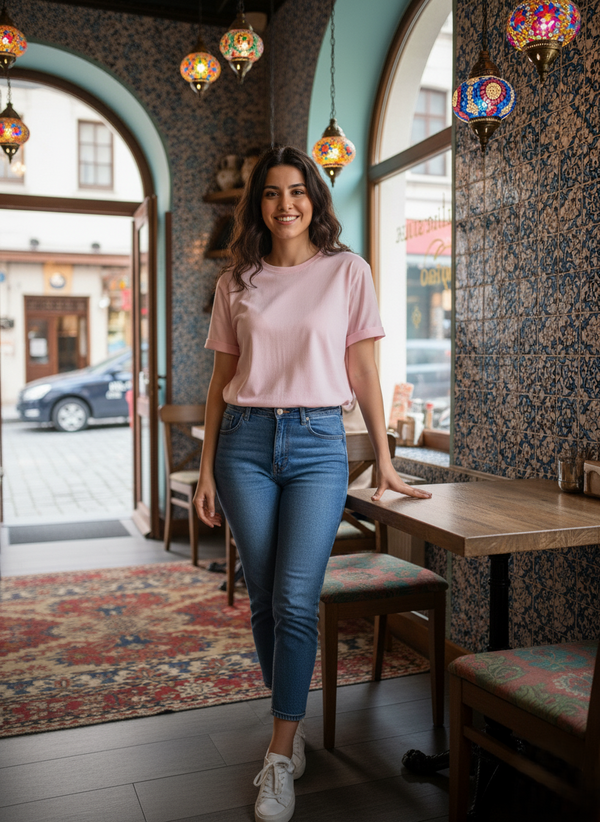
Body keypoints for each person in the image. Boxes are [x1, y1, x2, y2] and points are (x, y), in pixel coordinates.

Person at [193, 145, 432, 822]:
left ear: (315, 200)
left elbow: (362, 371)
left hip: (320, 445)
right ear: (258, 205)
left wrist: (383, 458)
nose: (286, 204)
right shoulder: (236, 279)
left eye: (298, 191)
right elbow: (219, 382)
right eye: (271, 193)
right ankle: (290, 720)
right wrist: (208, 464)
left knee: (297, 598)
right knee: (265, 597)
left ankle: (279, 754)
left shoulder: (347, 272)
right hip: (243, 444)